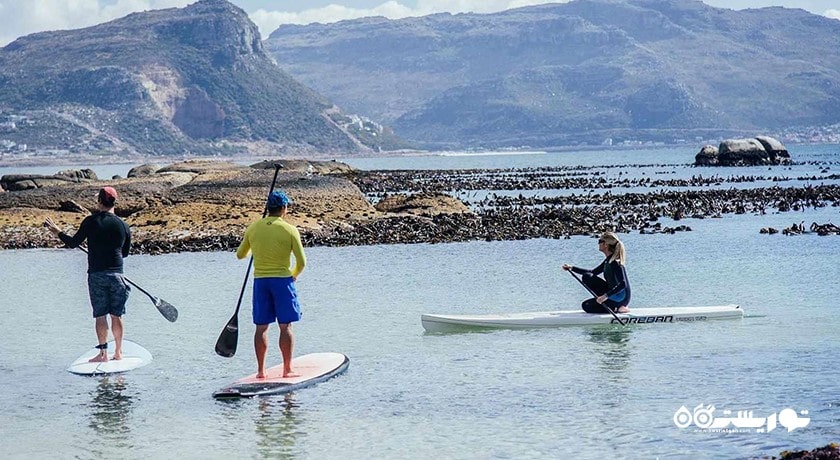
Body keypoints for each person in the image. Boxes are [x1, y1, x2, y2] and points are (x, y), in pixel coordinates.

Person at [44, 186, 131, 362]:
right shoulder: (123, 226)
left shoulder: (90, 221)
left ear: (99, 202)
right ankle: (119, 353)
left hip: (97, 276)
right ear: (115, 202)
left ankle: (103, 354)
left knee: (100, 315)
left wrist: (57, 231)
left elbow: (73, 243)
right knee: (117, 315)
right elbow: (125, 253)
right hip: (117, 276)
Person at [236, 190, 307, 379]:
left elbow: (240, 255)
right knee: (285, 326)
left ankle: (260, 371)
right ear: (284, 208)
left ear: (267, 208)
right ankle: (287, 369)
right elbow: (302, 262)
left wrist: (257, 243)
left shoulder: (253, 228)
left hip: (261, 282)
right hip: (283, 282)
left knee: (261, 327)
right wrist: (294, 276)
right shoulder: (290, 230)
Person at [562, 231, 631, 314]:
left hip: (621, 299)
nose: (598, 244)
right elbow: (592, 272)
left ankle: (618, 307)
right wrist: (572, 268)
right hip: (612, 295)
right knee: (587, 276)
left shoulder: (615, 262)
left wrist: (605, 296)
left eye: (599, 241)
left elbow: (623, 284)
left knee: (586, 306)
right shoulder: (608, 261)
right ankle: (614, 306)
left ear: (606, 244)